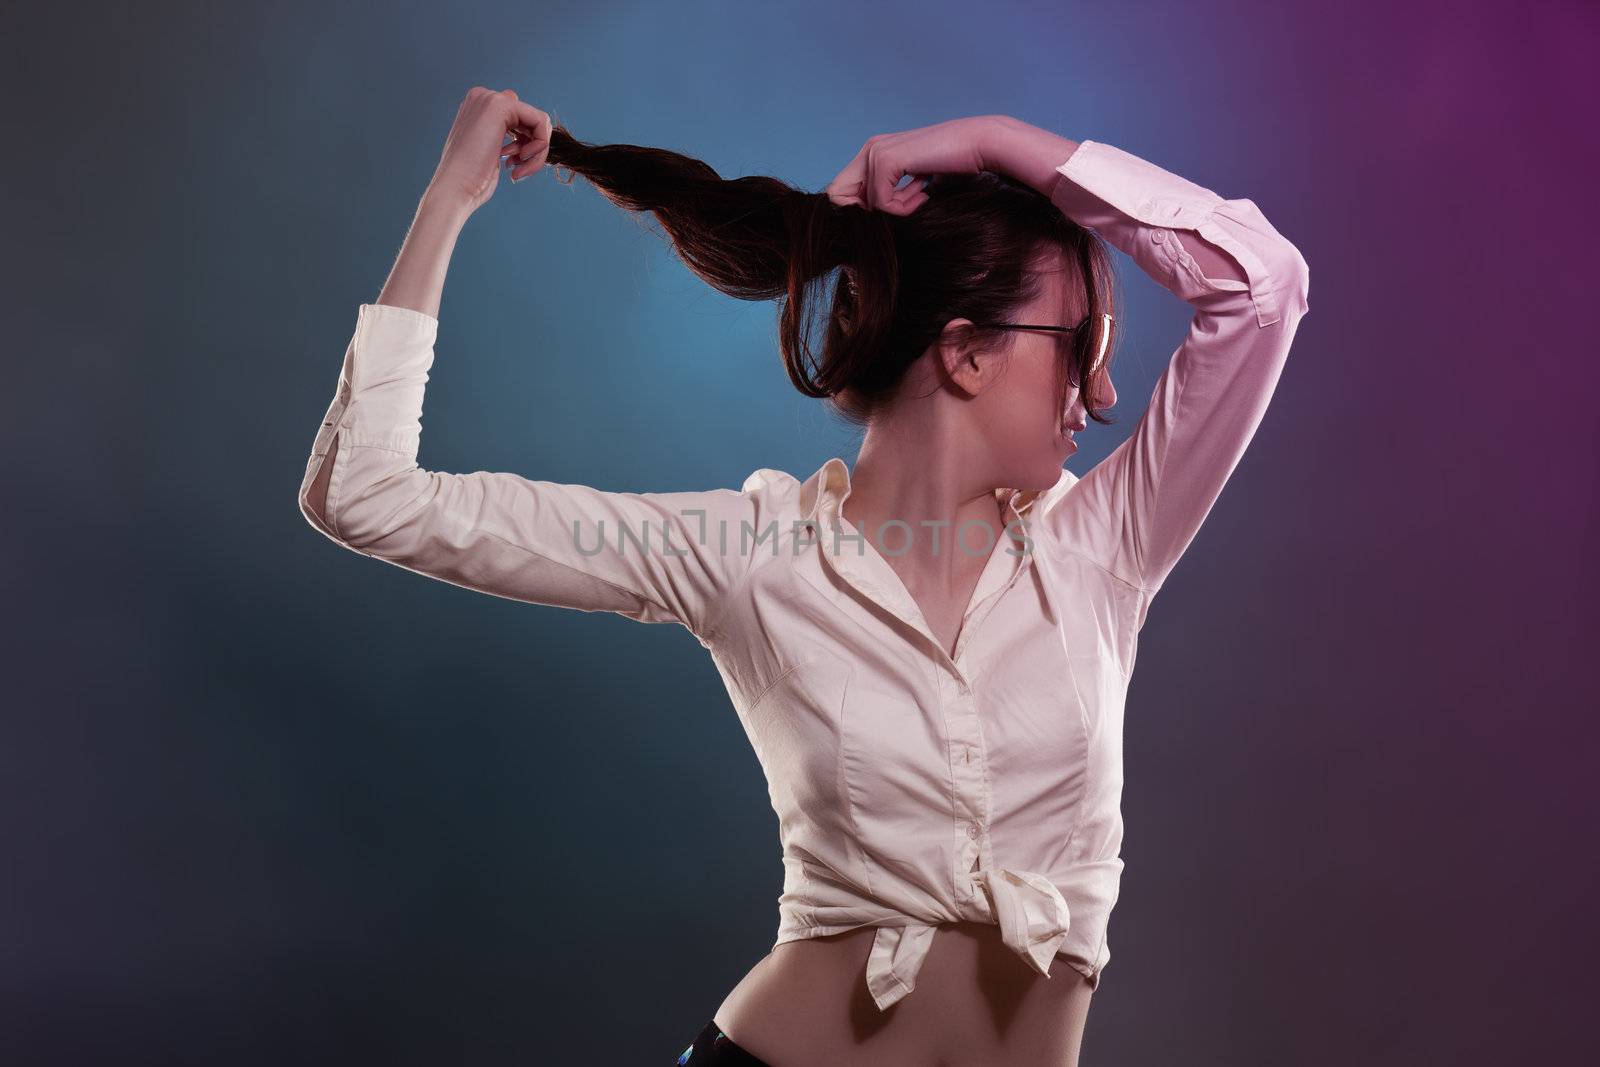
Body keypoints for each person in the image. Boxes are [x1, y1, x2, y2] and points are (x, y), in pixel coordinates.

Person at [298, 88, 1310, 1067]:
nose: (1102, 389)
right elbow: (366, 493)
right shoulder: (748, 553)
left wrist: (1000, 141)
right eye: (1079, 347)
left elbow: (1260, 285)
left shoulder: (1102, 546)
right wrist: (448, 203)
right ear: (963, 352)